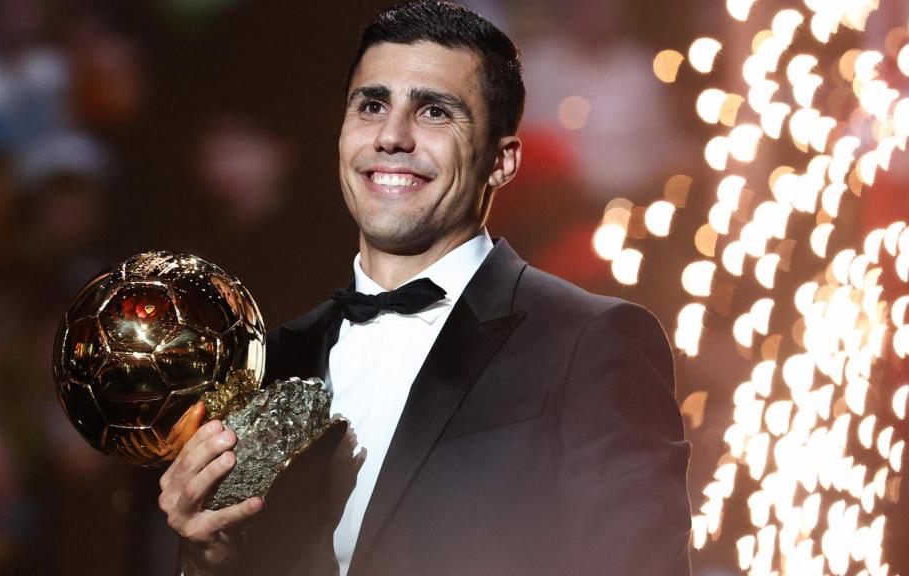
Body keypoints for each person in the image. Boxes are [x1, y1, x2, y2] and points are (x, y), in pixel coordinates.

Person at [158, 2, 692, 575]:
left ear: (502, 160)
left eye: (435, 112)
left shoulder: (589, 343)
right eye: (371, 105)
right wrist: (209, 560)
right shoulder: (277, 358)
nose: (391, 136)